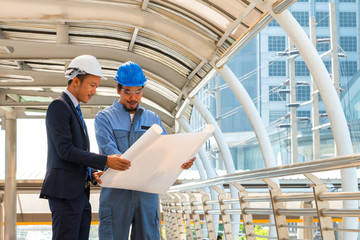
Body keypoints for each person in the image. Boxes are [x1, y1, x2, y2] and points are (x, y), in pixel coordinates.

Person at [94, 61, 195, 240]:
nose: (133, 97)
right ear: (118, 89)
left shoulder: (152, 118)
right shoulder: (104, 118)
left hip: (146, 193)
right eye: (128, 92)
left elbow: (167, 150)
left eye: (138, 92)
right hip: (117, 193)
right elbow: (109, 150)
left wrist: (182, 160)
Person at [40, 55, 131, 240]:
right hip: (65, 194)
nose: (94, 91)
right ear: (75, 81)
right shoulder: (59, 106)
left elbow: (75, 151)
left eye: (96, 86)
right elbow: (65, 150)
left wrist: (91, 172)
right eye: (92, 85)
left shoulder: (73, 108)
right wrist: (105, 161)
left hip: (79, 194)